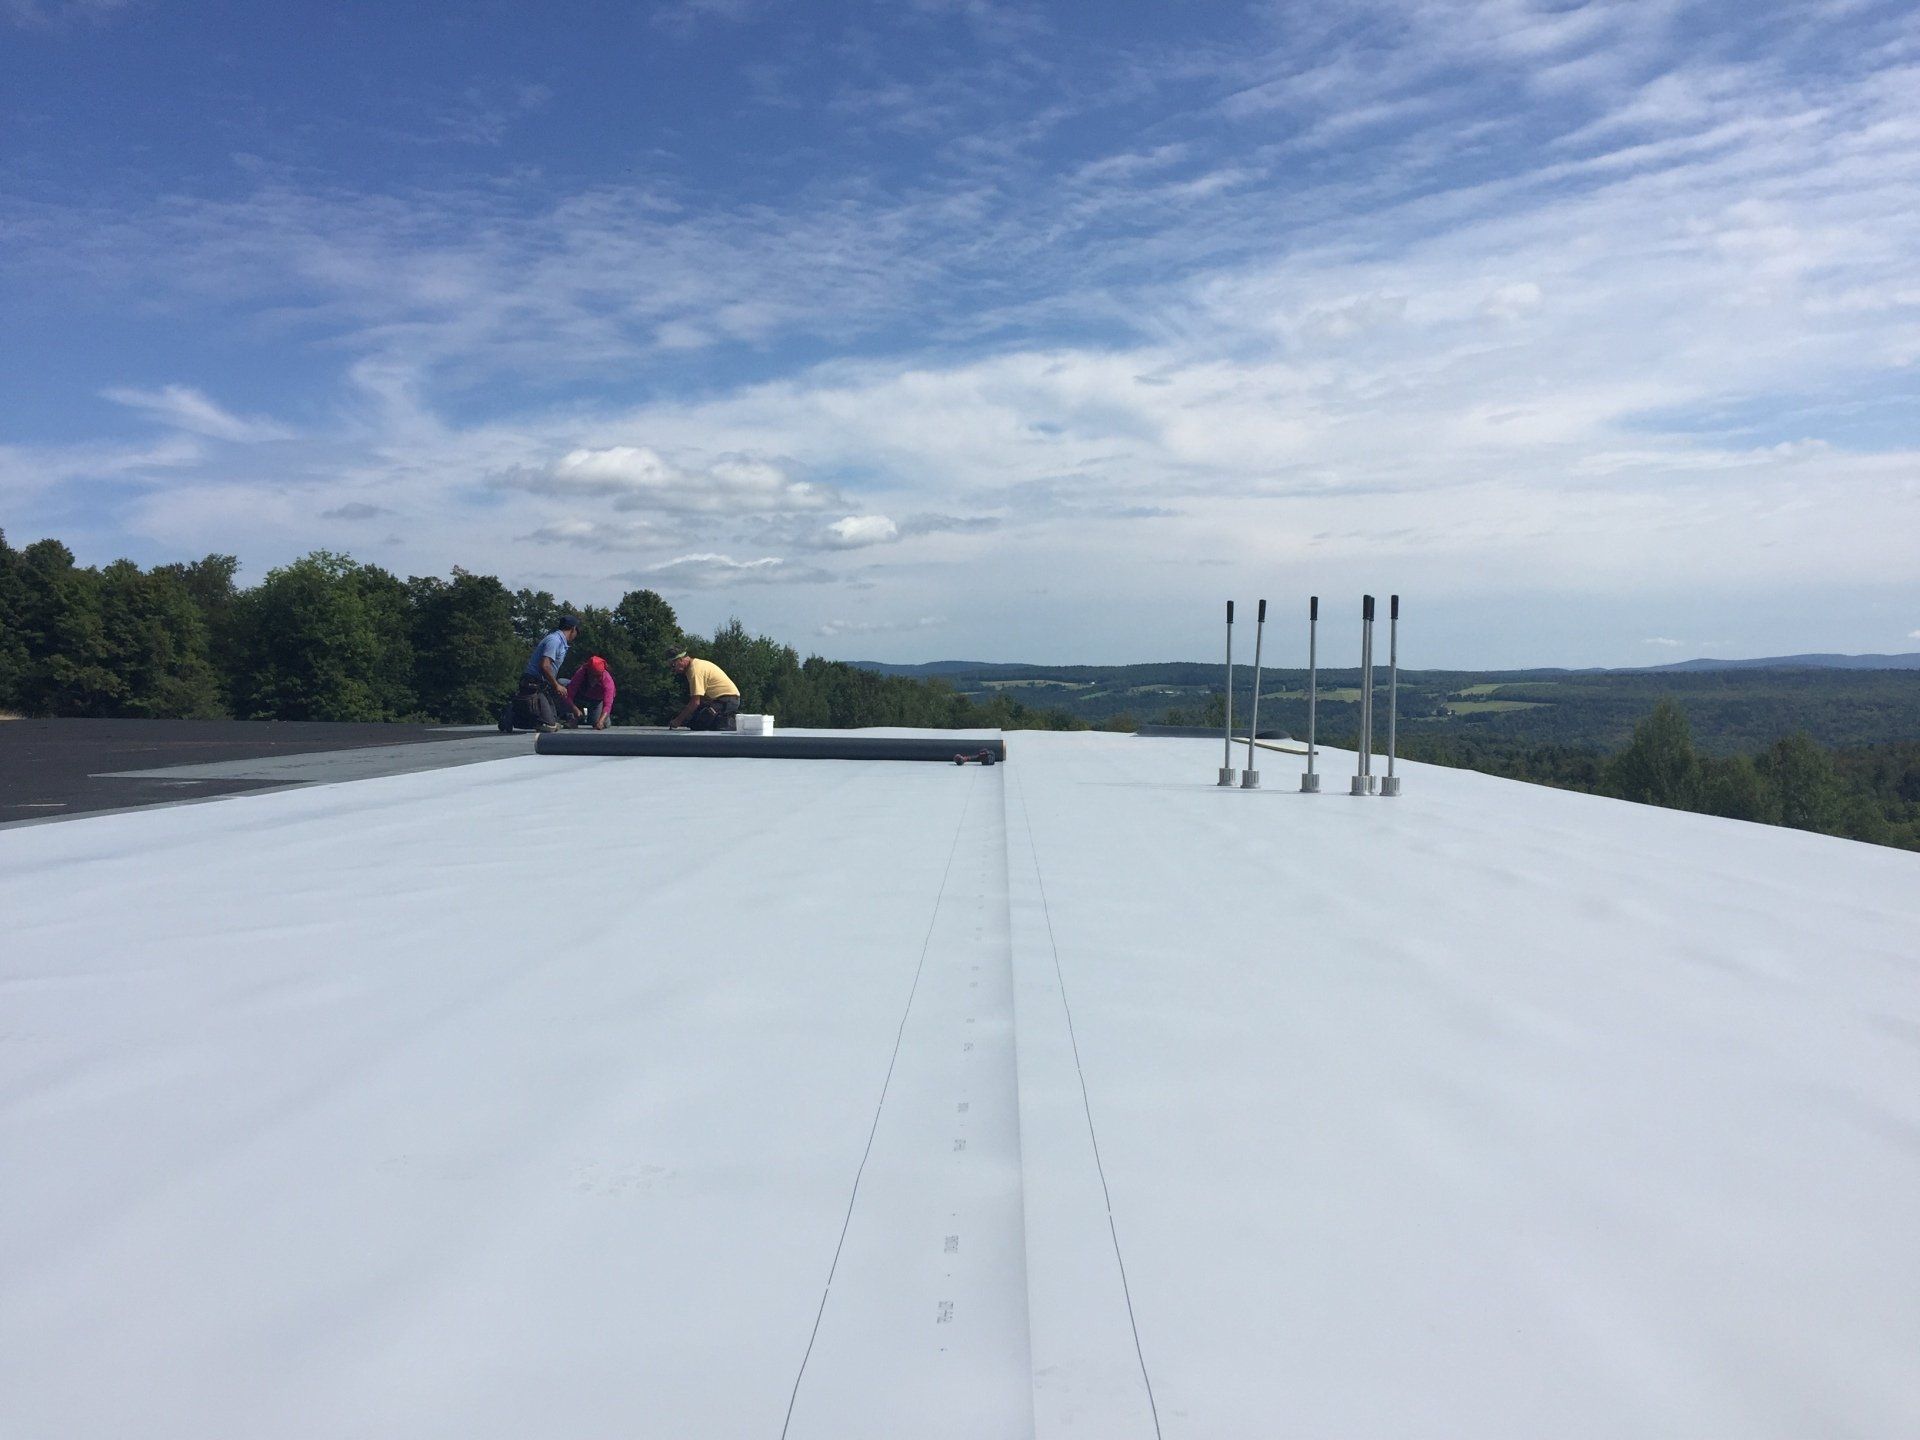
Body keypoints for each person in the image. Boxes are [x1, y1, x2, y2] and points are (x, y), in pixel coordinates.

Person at [504, 615, 582, 732]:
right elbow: (544, 666)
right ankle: (512, 712)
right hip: (533, 684)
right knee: (549, 726)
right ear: (573, 629)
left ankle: (528, 714)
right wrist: (556, 685)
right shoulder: (554, 641)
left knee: (554, 722)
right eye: (577, 631)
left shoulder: (559, 641)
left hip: (541, 685)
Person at [668, 650, 741, 730]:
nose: (673, 669)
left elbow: (695, 702)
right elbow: (700, 699)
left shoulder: (694, 671)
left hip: (727, 699)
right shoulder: (695, 665)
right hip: (721, 699)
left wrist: (678, 721)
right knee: (693, 723)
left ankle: (732, 722)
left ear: (681, 659)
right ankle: (724, 717)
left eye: (673, 665)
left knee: (701, 723)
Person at [566, 654, 616, 730]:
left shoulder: (607, 680)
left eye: (598, 676)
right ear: (588, 671)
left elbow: (608, 704)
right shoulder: (581, 673)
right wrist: (574, 708)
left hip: (597, 700)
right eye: (593, 675)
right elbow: (569, 694)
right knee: (562, 684)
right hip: (580, 696)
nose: (595, 678)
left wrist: (600, 722)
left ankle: (604, 719)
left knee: (597, 723)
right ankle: (572, 719)